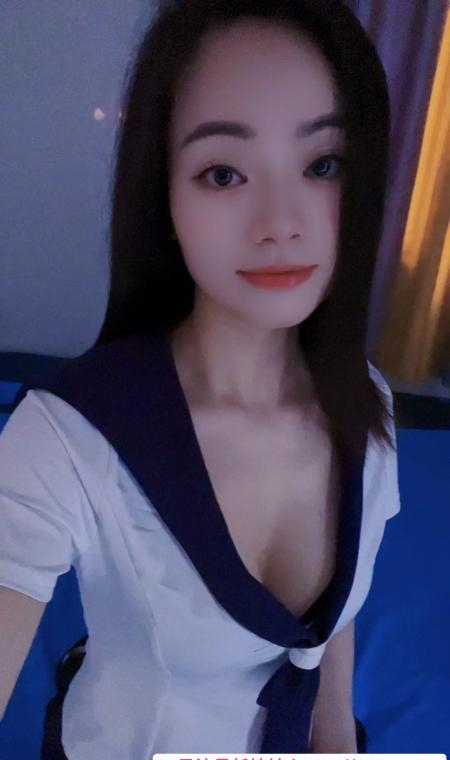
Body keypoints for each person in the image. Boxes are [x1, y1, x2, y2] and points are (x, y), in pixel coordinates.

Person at [0, 0, 401, 757]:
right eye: (224, 172)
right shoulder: (67, 437)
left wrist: (337, 743)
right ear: (166, 194)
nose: (281, 221)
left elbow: (335, 626)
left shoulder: (368, 403)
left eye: (322, 165)